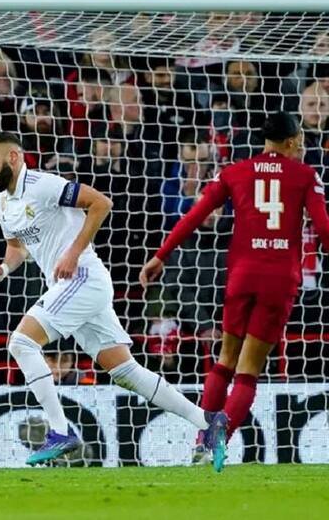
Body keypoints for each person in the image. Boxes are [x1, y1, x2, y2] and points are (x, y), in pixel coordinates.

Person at [0, 132, 227, 469]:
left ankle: (60, 430)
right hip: (71, 286)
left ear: (13, 157)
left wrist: (73, 252)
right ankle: (208, 423)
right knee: (125, 372)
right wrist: (4, 269)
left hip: (82, 277)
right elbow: (18, 247)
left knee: (21, 343)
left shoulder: (43, 184)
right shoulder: (2, 201)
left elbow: (101, 203)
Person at [140, 111, 329, 472]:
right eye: (301, 139)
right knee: (249, 370)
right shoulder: (306, 176)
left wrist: (160, 256)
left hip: (242, 275)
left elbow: (195, 215)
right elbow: (324, 229)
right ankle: (217, 441)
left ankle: (200, 439)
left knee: (225, 360)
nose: (303, 145)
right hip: (279, 279)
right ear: (290, 142)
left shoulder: (234, 172)